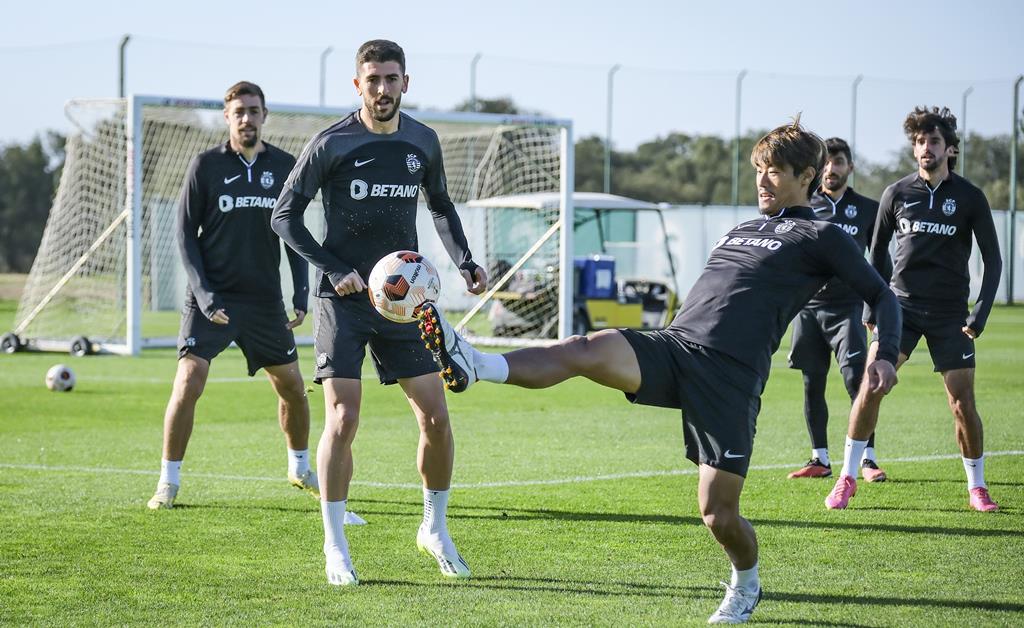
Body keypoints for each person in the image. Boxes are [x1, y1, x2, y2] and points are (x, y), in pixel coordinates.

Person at [417, 119, 902, 624]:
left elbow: (881, 295)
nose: (761, 180)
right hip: (675, 347)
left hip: (730, 378)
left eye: (774, 172)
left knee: (718, 514)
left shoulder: (823, 235)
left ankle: (746, 582)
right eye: (758, 169)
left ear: (807, 176)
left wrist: (884, 353)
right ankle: (478, 366)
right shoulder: (744, 227)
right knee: (586, 347)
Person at [271, 40, 488, 586]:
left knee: (436, 416)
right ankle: (335, 544)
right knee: (343, 419)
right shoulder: (332, 143)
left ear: (405, 83)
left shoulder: (423, 140)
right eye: (373, 80)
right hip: (342, 302)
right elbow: (285, 216)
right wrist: (333, 265)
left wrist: (464, 261)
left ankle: (433, 528)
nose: (383, 89)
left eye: (392, 79)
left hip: (403, 304)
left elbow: (439, 205)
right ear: (357, 85)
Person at [825, 106, 1003, 512]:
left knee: (962, 404)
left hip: (950, 314)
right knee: (870, 387)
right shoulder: (896, 193)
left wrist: (982, 311)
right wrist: (875, 304)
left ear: (950, 148)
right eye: (920, 142)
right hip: (900, 308)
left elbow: (993, 262)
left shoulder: (970, 198)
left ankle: (977, 486)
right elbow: (876, 255)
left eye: (934, 141)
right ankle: (847, 478)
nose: (926, 148)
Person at [147, 81, 315, 510]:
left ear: (264, 115)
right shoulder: (205, 166)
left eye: (253, 111)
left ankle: (299, 467)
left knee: (293, 388)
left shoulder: (284, 166)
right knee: (188, 381)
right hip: (213, 300)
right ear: (227, 117)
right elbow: (184, 235)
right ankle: (168, 482)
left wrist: (300, 291)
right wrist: (203, 295)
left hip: (263, 302)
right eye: (238, 111)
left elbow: (292, 231)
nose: (246, 118)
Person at [786, 138, 886, 481]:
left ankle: (868, 459)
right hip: (809, 308)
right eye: (826, 162)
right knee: (812, 382)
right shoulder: (805, 205)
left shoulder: (869, 208)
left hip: (848, 308)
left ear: (849, 168)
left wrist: (877, 305)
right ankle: (820, 458)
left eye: (838, 162)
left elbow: (881, 260)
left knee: (856, 381)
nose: (832, 168)